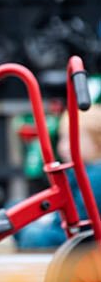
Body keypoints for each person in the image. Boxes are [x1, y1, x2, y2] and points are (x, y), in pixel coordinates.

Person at [15, 105, 101, 250]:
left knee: (32, 235)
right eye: (62, 139)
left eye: (71, 139)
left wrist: (49, 221)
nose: (64, 147)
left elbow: (81, 217)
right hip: (64, 227)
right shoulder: (80, 170)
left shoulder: (95, 175)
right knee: (15, 207)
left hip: (79, 238)